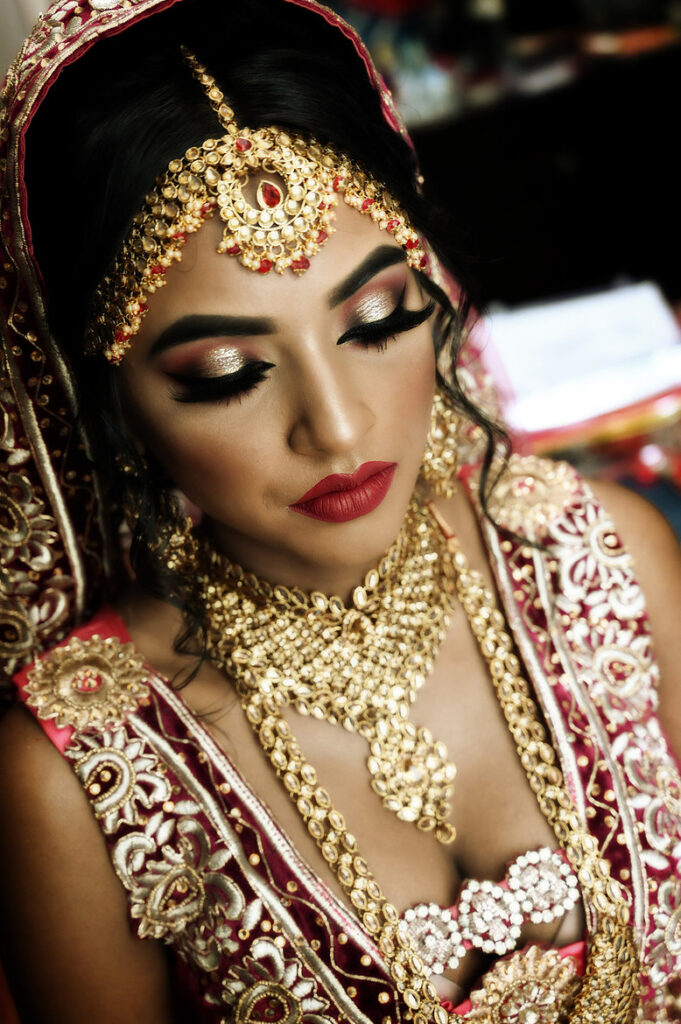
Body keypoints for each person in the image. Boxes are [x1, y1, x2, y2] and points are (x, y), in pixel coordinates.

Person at [0, 1, 680, 1022]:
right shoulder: (81, 777)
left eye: (378, 320)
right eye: (229, 373)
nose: (338, 424)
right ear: (111, 402)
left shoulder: (607, 561)